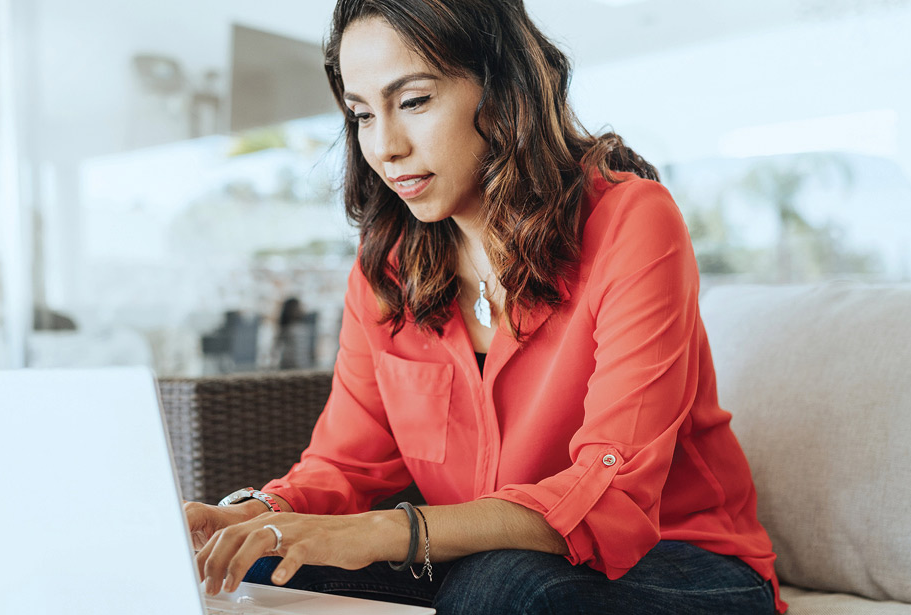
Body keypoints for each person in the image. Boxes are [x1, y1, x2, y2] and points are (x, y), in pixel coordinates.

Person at [181, 1, 785, 613]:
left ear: (502, 89)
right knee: (262, 561)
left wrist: (390, 531)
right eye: (362, 114)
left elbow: (611, 495)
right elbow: (347, 463)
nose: (385, 146)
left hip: (679, 562)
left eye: (414, 101)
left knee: (502, 584)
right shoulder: (385, 266)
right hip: (474, 557)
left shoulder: (632, 221)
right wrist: (256, 515)